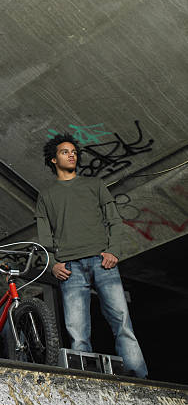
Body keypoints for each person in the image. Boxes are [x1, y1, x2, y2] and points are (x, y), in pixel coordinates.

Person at [35, 133, 148, 378]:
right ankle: (86, 380)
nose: (72, 154)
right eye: (65, 152)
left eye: (74, 151)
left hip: (102, 262)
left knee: (122, 321)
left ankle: (139, 378)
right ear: (53, 160)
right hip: (70, 269)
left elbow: (114, 221)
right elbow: (44, 237)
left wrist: (114, 252)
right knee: (77, 330)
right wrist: (54, 264)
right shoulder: (46, 195)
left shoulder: (94, 185)